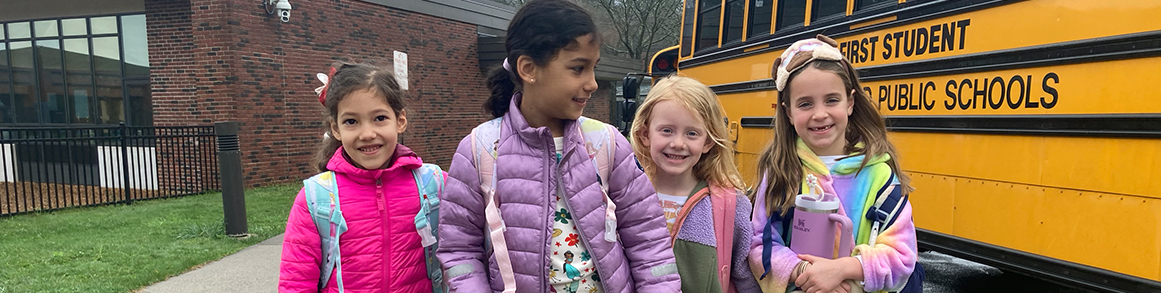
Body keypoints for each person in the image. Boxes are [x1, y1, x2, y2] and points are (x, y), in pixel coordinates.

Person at [435, 1, 682, 292]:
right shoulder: (480, 150)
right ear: (528, 68)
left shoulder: (606, 142)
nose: (592, 83)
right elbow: (459, 251)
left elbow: (649, 242)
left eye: (593, 68)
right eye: (578, 68)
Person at [748, 35, 919, 293]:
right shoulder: (780, 173)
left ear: (850, 102)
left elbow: (902, 255)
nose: (820, 114)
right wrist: (806, 273)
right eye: (805, 103)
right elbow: (759, 245)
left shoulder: (879, 176)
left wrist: (843, 271)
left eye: (831, 100)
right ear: (788, 112)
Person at [279, 63, 441, 292]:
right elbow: (296, 282)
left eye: (380, 118)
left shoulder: (433, 183)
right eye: (351, 122)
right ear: (336, 128)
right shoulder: (316, 198)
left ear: (400, 120)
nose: (367, 134)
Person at [629, 75, 762, 293]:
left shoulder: (730, 205)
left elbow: (745, 276)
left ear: (708, 141)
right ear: (645, 134)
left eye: (692, 133)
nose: (678, 143)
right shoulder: (627, 196)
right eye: (667, 130)